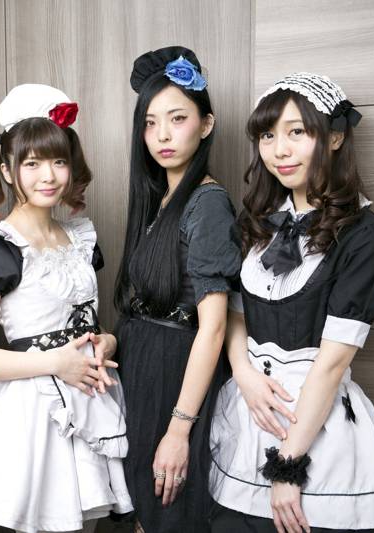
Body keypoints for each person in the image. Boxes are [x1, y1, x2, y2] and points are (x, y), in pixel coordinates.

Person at [0, 84, 133, 533]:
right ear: (7, 170)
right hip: (32, 411)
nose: (49, 175)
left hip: (91, 398)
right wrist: (55, 362)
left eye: (59, 161)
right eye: (33, 163)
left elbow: (86, 321)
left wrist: (107, 340)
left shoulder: (80, 237)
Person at [209, 72, 374, 533]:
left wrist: (288, 466)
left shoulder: (367, 237)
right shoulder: (255, 223)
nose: (280, 150)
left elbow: (332, 364)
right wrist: (244, 374)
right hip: (248, 412)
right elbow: (235, 313)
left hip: (315, 427)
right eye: (268, 136)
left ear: (334, 137)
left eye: (297, 132)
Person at [113, 46, 241, 533]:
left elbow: (213, 329)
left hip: (175, 374)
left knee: (167, 512)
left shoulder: (207, 203)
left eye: (177, 118)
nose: (162, 135)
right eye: (150, 123)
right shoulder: (161, 198)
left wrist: (179, 428)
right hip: (141, 366)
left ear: (206, 125)